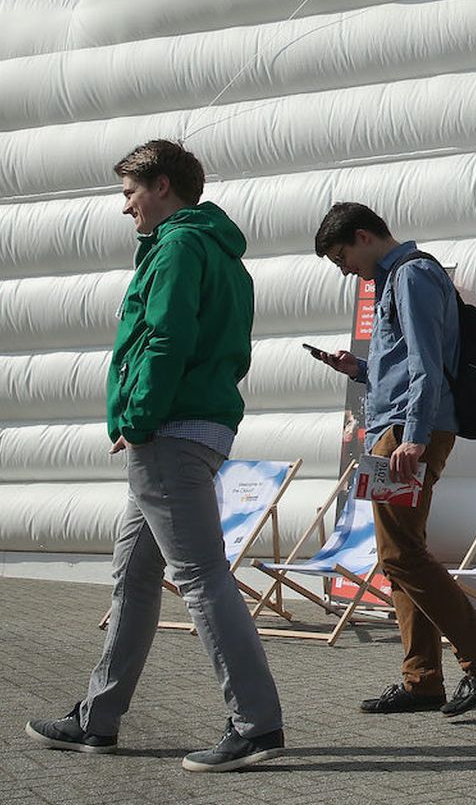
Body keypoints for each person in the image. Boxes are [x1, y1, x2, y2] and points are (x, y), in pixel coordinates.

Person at [26, 140, 285, 773]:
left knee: (199, 577)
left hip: (167, 431)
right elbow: (231, 347)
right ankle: (98, 719)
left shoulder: (175, 246)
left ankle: (255, 724)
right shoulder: (224, 255)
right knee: (135, 576)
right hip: (197, 427)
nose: (125, 208)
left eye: (129, 193)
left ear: (162, 186)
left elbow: (164, 337)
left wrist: (139, 417)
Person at [310, 202, 476, 716]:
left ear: (363, 236)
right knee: (401, 552)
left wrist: (416, 437)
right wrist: (359, 369)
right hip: (398, 427)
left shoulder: (412, 275)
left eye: (342, 258)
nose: (345, 270)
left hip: (406, 433)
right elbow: (404, 363)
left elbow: (428, 361)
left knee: (400, 555)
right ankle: (422, 679)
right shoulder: (397, 279)